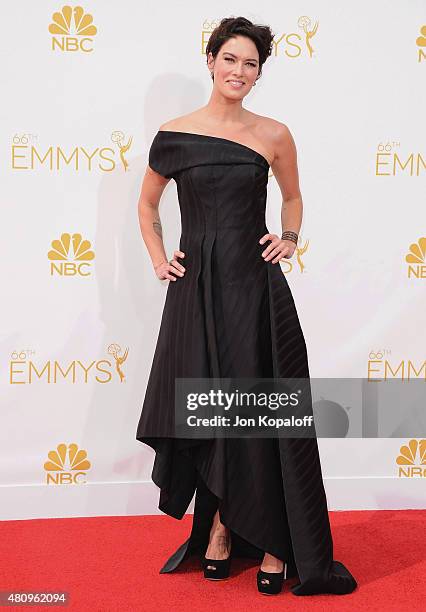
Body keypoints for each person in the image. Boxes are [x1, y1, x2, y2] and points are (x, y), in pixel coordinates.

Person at [136, 16, 357, 596]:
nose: (239, 71)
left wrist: (291, 237)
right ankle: (218, 531)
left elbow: (293, 197)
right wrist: (160, 258)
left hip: (255, 289)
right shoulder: (175, 134)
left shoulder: (274, 134)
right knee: (211, 405)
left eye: (251, 64)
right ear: (210, 61)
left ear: (260, 73)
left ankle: (276, 542)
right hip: (197, 289)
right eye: (230, 59)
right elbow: (147, 205)